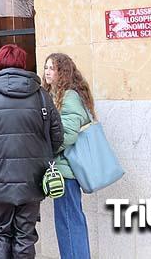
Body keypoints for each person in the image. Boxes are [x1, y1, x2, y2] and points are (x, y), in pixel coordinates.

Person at [0, 44, 63, 259]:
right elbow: (57, 137)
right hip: (33, 179)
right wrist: (41, 159)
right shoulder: (41, 96)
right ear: (23, 64)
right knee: (25, 236)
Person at [44, 53, 95, 259]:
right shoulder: (58, 94)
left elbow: (67, 135)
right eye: (46, 67)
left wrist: (46, 150)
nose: (47, 72)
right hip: (64, 168)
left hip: (66, 170)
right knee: (69, 221)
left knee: (69, 221)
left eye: (52, 68)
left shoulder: (69, 96)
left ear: (63, 72)